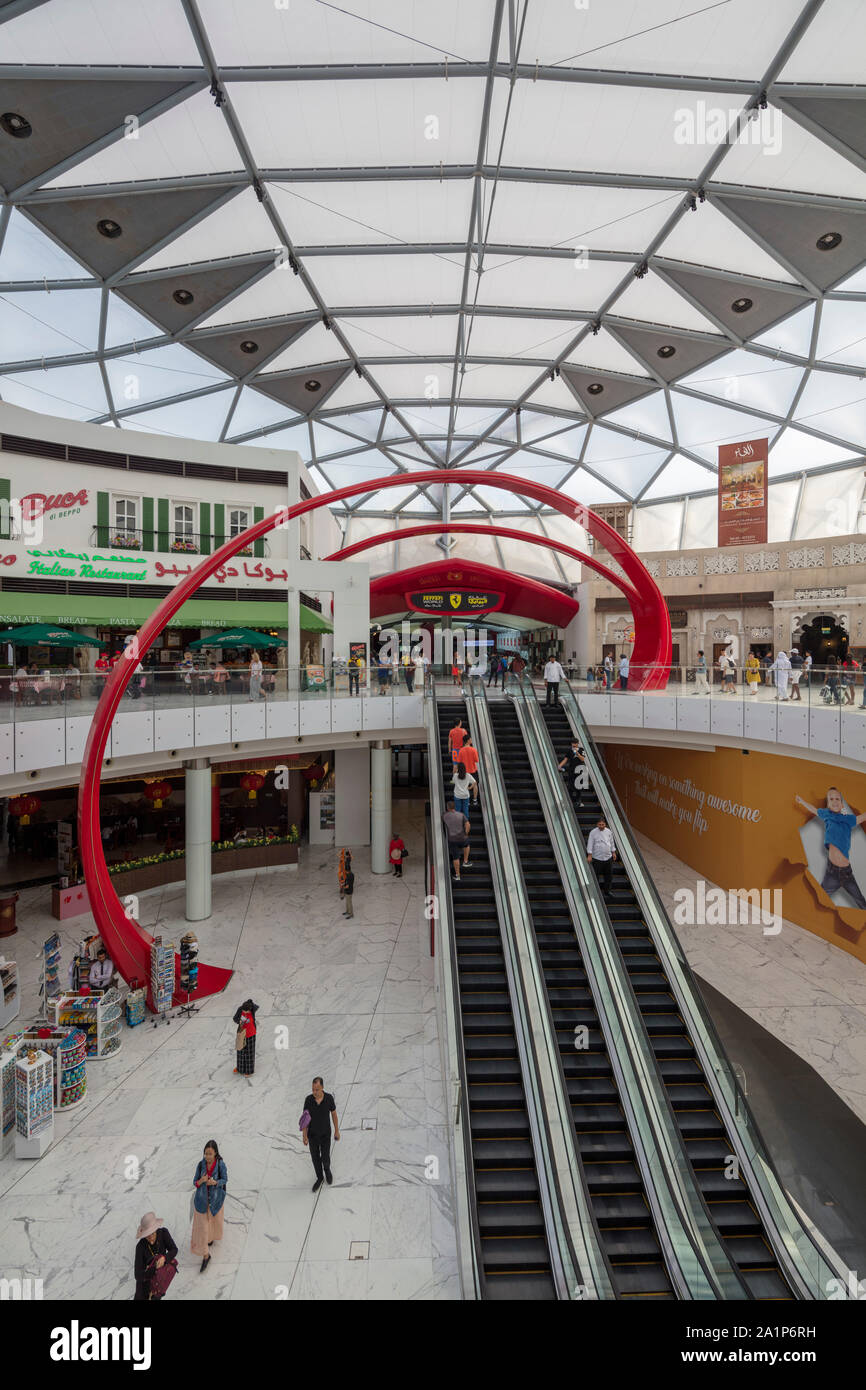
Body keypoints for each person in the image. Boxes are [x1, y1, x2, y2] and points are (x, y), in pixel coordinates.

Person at [795, 788, 866, 910]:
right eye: (831, 799)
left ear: (842, 803)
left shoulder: (849, 819)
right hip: (831, 874)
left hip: (846, 874)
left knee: (860, 900)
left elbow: (863, 817)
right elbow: (814, 810)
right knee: (819, 899)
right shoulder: (826, 814)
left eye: (837, 799)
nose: (834, 801)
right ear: (828, 804)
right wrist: (802, 801)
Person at [191, 1140, 227, 1274]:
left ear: (215, 1153)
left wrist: (215, 1182)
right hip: (201, 1201)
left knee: (212, 1222)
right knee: (201, 1230)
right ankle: (205, 1254)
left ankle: (210, 1239)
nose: (208, 1156)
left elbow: (225, 1179)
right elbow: (195, 1182)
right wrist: (202, 1180)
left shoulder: (221, 1165)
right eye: (206, 1153)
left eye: (210, 1154)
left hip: (215, 1200)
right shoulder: (200, 1165)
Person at [302, 1077, 340, 1191]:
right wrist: (304, 1135)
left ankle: (327, 1171)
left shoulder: (328, 1098)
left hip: (325, 1135)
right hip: (312, 1135)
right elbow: (305, 1119)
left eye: (317, 1089)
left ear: (322, 1087)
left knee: (325, 1158)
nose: (314, 1092)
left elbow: (333, 1114)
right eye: (313, 1089)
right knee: (315, 1158)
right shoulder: (308, 1100)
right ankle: (319, 1178)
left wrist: (337, 1130)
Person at [134, 1212, 178, 1301]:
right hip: (145, 1284)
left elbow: (174, 1249)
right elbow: (138, 1275)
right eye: (147, 1235)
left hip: (160, 1280)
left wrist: (165, 1258)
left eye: (153, 1234)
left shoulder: (163, 1233)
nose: (151, 1238)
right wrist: (154, 1269)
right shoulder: (140, 1247)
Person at [586, 816, 617, 898]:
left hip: (608, 858)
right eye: (599, 824)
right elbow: (590, 843)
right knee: (596, 875)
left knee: (608, 875)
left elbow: (611, 843)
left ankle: (607, 891)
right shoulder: (593, 832)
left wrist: (613, 852)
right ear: (597, 824)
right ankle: (595, 891)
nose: (601, 826)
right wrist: (589, 855)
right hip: (597, 858)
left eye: (603, 824)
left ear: (605, 824)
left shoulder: (609, 832)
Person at [443, 800, 472, 880]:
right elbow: (468, 825)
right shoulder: (461, 815)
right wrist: (466, 833)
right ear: (454, 807)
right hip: (462, 837)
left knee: (456, 857)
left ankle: (457, 875)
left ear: (448, 808)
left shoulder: (445, 816)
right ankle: (465, 861)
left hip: (452, 839)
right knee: (467, 845)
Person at [233, 998, 258, 1076]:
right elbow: (235, 1018)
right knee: (240, 1051)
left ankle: (248, 1071)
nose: (244, 1012)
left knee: (249, 1053)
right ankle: (239, 1068)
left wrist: (251, 1004)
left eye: (246, 1011)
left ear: (250, 1009)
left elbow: (256, 1006)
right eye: (243, 1010)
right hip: (242, 1033)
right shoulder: (240, 1009)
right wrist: (239, 1021)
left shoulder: (253, 1009)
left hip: (251, 1034)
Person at [558, 739, 587, 808]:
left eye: (575, 743)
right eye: (572, 743)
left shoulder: (581, 750)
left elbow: (583, 759)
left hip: (580, 770)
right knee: (570, 785)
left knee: (578, 786)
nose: (573, 745)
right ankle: (569, 801)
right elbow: (565, 759)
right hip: (571, 770)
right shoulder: (570, 751)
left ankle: (578, 801)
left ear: (578, 743)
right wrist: (559, 766)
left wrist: (577, 754)